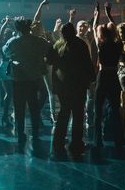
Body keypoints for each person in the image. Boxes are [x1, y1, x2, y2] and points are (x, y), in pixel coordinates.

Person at [47, 22, 95, 158]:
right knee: (78, 114)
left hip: (62, 85)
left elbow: (49, 61)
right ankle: (76, 143)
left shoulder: (58, 45)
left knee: (64, 112)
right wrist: (91, 78)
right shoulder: (80, 44)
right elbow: (87, 62)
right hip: (78, 84)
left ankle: (58, 141)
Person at [2, 18, 50, 149]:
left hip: (19, 79)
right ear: (29, 27)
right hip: (34, 79)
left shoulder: (13, 41)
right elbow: (48, 49)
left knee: (19, 108)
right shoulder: (39, 41)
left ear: (17, 29)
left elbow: (5, 52)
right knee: (34, 107)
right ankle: (35, 133)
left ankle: (21, 134)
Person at [92, 2, 124, 151]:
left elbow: (93, 28)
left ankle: (97, 140)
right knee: (115, 109)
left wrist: (97, 14)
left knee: (98, 109)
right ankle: (119, 139)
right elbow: (116, 30)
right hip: (114, 76)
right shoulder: (118, 44)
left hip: (103, 75)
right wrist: (109, 13)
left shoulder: (100, 43)